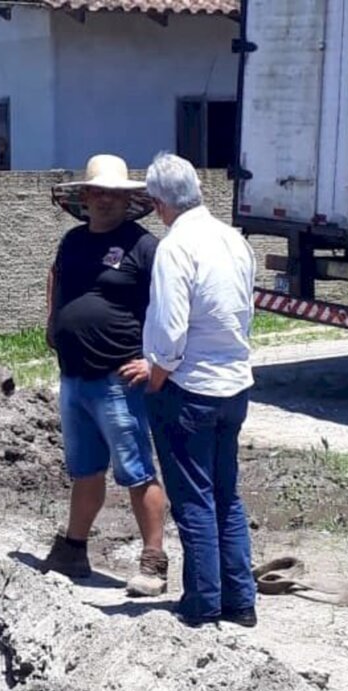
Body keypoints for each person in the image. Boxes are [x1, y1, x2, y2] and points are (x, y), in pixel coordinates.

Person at [41, 154, 170, 597]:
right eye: (98, 192)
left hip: (120, 378)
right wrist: (52, 324)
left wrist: (154, 361)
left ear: (127, 200)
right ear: (86, 197)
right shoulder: (73, 241)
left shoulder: (143, 247)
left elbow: (169, 307)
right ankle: (73, 549)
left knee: (136, 470)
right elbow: (55, 282)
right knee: (85, 470)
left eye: (115, 194)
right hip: (74, 377)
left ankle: (153, 561)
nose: (105, 200)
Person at [141, 152, 258, 627]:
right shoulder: (234, 240)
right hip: (234, 385)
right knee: (227, 496)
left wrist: (155, 377)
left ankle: (201, 604)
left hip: (190, 388)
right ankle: (241, 601)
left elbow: (170, 332)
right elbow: (245, 310)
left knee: (194, 501)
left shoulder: (175, 248)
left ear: (157, 203)